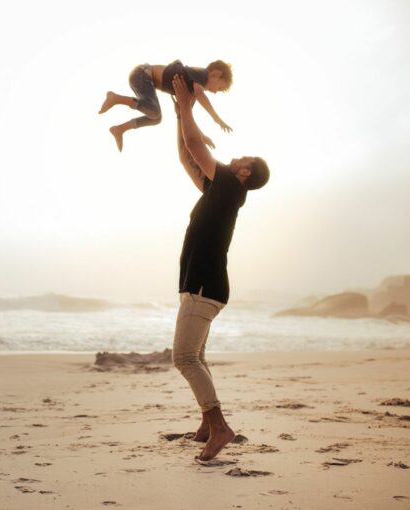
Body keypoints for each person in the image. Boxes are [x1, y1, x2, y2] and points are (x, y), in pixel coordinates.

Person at [171, 74, 269, 461]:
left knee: (185, 358)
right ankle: (206, 424)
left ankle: (220, 427)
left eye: (244, 158)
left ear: (245, 172)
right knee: (198, 356)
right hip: (205, 286)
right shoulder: (221, 189)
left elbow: (197, 145)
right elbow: (187, 154)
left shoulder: (231, 184)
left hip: (204, 286)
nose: (237, 156)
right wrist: (182, 114)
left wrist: (185, 107)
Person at [98, 59, 233, 152]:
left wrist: (202, 136)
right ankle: (115, 98)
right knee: (155, 112)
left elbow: (188, 117)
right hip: (142, 74)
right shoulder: (202, 75)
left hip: (142, 79)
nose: (215, 92)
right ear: (216, 74)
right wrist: (217, 119)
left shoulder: (192, 91)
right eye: (219, 88)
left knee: (156, 118)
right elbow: (201, 95)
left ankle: (120, 129)